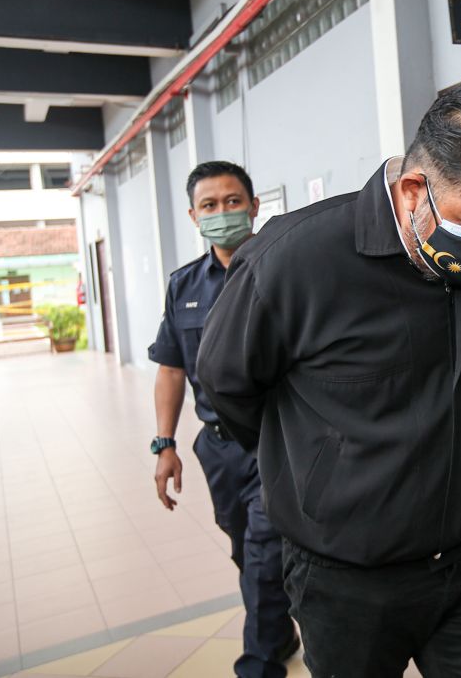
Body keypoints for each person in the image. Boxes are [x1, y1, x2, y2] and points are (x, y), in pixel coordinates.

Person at [196, 82, 461, 678]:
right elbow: (227, 385)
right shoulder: (293, 261)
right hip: (345, 579)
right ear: (415, 191)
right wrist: (318, 466)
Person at [147, 161, 298, 678]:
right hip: (217, 449)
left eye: (233, 202)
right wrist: (163, 443)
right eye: (209, 206)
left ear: (254, 207)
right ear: (194, 215)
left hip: (278, 441)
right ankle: (278, 633)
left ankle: (258, 664)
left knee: (261, 552)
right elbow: (170, 369)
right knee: (245, 548)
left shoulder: (288, 271)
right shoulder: (183, 285)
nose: (222, 213)